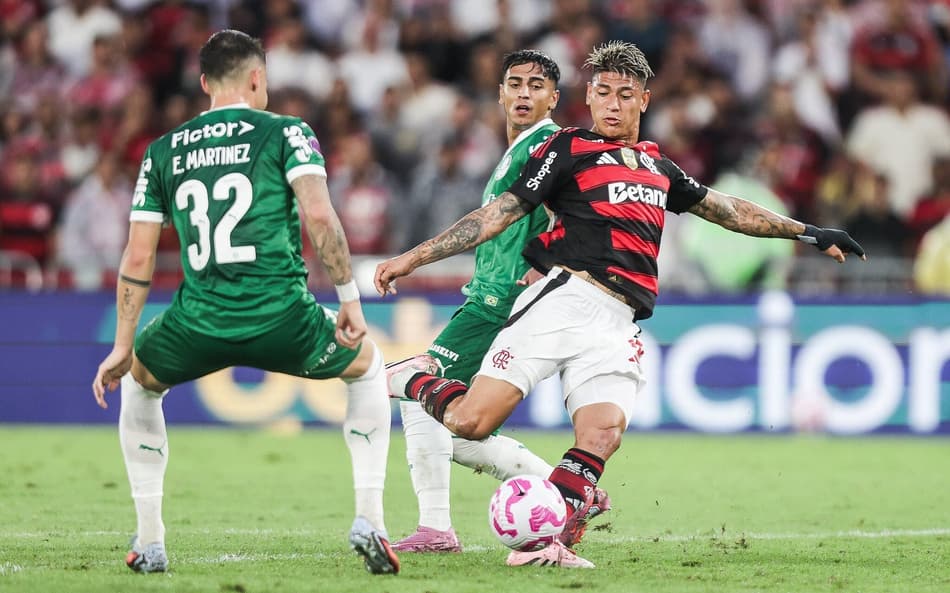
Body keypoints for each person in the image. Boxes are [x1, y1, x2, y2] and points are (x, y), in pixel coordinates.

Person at [375, 41, 866, 568]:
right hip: (563, 300)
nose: (612, 104)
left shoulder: (658, 166)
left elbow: (727, 210)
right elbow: (496, 215)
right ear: (588, 97)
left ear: (644, 101)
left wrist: (809, 232)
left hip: (618, 321)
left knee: (603, 434)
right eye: (603, 93)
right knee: (470, 423)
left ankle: (545, 544)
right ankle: (413, 378)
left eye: (624, 95)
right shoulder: (565, 150)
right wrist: (414, 258)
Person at [91, 30, 399, 576]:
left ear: (206, 83)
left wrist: (122, 344)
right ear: (257, 79)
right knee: (369, 368)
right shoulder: (286, 132)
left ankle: (150, 540)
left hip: (197, 322)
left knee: (139, 382)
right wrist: (349, 297)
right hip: (283, 315)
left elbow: (138, 256)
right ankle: (370, 520)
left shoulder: (162, 151)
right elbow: (321, 217)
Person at [390, 50, 562, 554]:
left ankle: (437, 528)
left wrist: (546, 263)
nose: (524, 93)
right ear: (501, 93)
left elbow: (568, 212)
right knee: (460, 427)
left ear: (554, 97)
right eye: (515, 84)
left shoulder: (547, 147)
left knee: (417, 388)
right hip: (492, 298)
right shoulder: (520, 149)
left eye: (536, 85)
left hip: (498, 302)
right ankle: (573, 493)